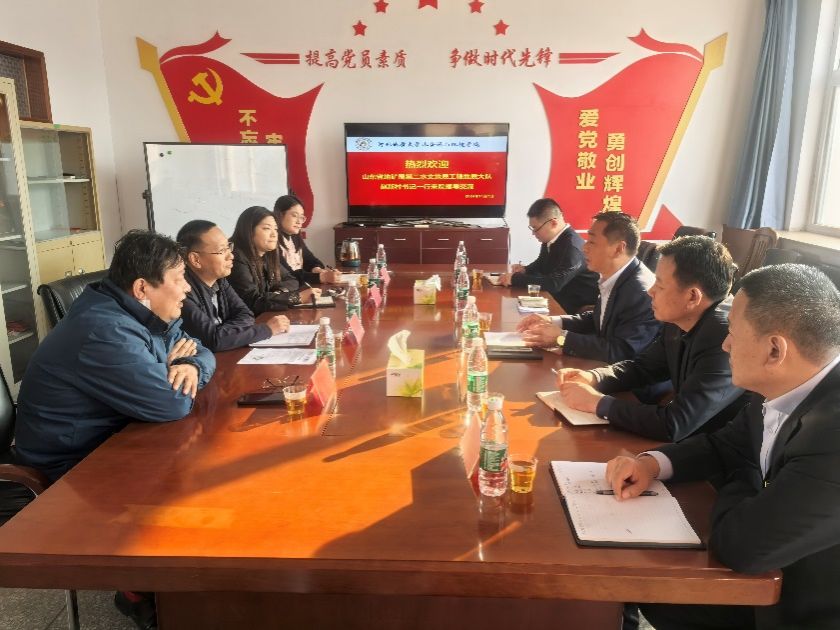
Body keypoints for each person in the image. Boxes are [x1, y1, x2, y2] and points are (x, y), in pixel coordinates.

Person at [605, 264, 840, 630]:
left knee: (647, 583)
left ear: (774, 350)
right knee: (633, 581)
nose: (725, 345)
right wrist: (652, 463)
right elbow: (726, 444)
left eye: (732, 333)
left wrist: (743, 475)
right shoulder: (785, 382)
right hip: (770, 570)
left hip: (798, 607)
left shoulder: (832, 435)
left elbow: (742, 547)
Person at [15, 229, 216, 482]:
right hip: (71, 468)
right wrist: (173, 366)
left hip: (118, 439)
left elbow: (202, 350)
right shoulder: (105, 331)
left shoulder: (144, 313)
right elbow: (171, 402)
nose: (187, 288)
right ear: (141, 288)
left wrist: (190, 365)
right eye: (178, 279)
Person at [555, 236, 747, 442]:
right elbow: (643, 368)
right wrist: (594, 377)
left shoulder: (726, 338)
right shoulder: (680, 318)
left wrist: (597, 403)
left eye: (660, 285)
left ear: (692, 296)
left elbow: (674, 423)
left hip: (715, 452)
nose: (650, 291)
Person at [516, 212, 660, 363]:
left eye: (592, 242)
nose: (584, 247)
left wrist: (561, 338)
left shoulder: (641, 292)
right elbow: (599, 319)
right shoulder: (615, 276)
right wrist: (552, 321)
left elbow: (621, 351)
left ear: (618, 248)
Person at [176, 220, 291, 352]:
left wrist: (224, 334)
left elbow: (246, 314)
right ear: (195, 259)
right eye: (221, 250)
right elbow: (213, 340)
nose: (231, 256)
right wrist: (267, 329)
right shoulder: (182, 292)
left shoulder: (220, 281)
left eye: (228, 247)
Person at [499, 198, 598, 314]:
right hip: (555, 298)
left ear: (553, 223)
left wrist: (514, 279)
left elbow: (554, 284)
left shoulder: (572, 247)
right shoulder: (550, 240)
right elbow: (541, 262)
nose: (533, 233)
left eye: (536, 228)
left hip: (574, 308)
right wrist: (525, 270)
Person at [228, 206, 320, 315]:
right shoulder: (235, 257)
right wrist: (295, 298)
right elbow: (252, 301)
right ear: (249, 231)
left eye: (276, 229)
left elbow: (291, 279)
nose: (274, 234)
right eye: (267, 228)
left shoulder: (266, 255)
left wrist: (278, 293)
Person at [274, 194, 342, 285]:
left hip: (300, 287)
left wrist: (317, 270)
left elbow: (311, 260)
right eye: (294, 215)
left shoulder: (294, 236)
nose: (299, 221)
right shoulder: (272, 241)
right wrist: (322, 277)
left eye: (301, 217)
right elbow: (288, 276)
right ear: (280, 215)